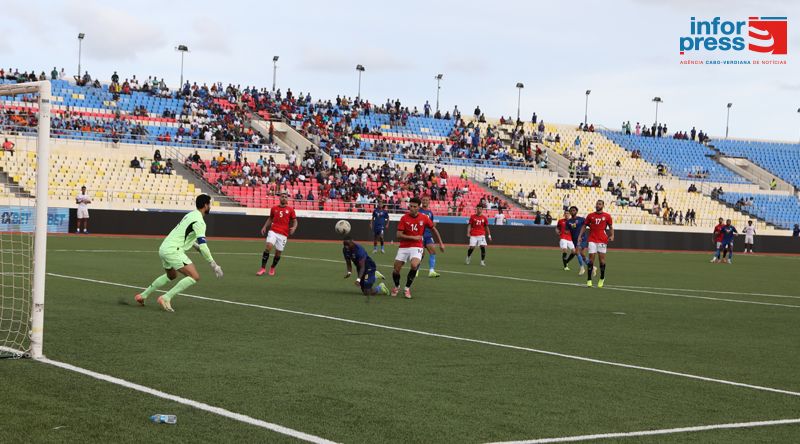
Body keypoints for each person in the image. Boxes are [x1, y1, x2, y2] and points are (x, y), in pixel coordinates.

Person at [134, 194, 224, 312]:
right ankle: (166, 297)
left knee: (171, 275)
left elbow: (185, 236)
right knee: (194, 276)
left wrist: (195, 245)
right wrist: (213, 264)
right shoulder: (200, 222)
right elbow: (203, 246)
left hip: (164, 248)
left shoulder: (190, 215)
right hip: (173, 250)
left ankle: (143, 295)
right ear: (205, 205)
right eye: (209, 204)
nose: (210, 207)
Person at [391, 197, 445, 299]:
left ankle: (407, 288)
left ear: (418, 207)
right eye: (410, 206)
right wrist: (413, 237)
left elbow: (434, 229)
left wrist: (441, 243)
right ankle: (396, 286)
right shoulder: (404, 218)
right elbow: (398, 235)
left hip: (417, 245)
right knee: (396, 269)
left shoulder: (424, 218)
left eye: (414, 206)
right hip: (404, 246)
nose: (411, 208)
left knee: (414, 265)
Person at [258, 191, 298, 276]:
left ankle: (272, 268)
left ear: (287, 199)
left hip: (283, 234)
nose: (284, 198)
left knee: (278, 253)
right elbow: (270, 218)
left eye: (285, 197)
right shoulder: (274, 208)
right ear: (279, 198)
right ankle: (262, 268)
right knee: (268, 246)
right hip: (273, 231)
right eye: (282, 196)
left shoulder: (291, 210)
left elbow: (295, 221)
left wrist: (294, 227)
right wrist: (264, 227)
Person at [578, 200, 614, 288]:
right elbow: (584, 226)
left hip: (602, 240)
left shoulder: (607, 216)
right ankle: (589, 280)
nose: (598, 205)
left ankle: (602, 278)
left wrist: (612, 235)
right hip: (592, 239)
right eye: (597, 204)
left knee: (601, 260)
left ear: (603, 205)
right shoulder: (590, 215)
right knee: (591, 260)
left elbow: (610, 227)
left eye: (600, 204)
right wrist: (580, 235)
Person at [418, 196, 440, 278]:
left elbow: (430, 224)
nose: (425, 201)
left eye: (426, 200)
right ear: (421, 201)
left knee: (433, 251)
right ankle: (416, 270)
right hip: (419, 235)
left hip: (428, 235)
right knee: (421, 254)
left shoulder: (430, 213)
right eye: (423, 200)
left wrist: (433, 225)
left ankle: (431, 271)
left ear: (429, 201)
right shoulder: (418, 210)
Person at [567, 206, 588, 275]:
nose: (572, 211)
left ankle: (582, 268)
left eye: (574, 210)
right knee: (582, 255)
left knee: (577, 252)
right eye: (571, 210)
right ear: (570, 212)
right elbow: (567, 231)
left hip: (582, 238)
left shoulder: (581, 219)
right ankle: (592, 266)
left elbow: (586, 226)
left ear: (576, 211)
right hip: (574, 240)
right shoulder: (568, 221)